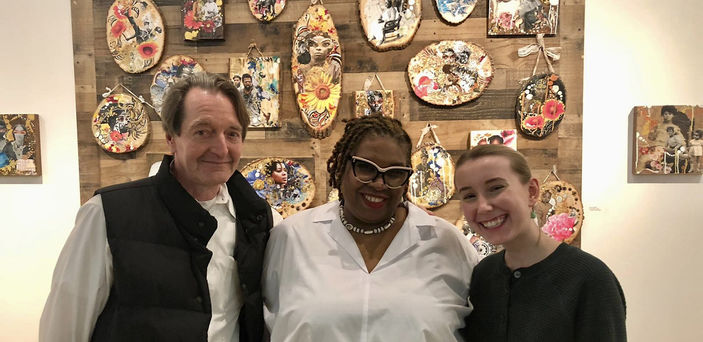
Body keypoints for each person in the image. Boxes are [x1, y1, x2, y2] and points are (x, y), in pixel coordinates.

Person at [39, 72, 282, 342]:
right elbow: (64, 328)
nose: (221, 148)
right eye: (203, 131)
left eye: (232, 134)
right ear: (170, 138)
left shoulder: (261, 220)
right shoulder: (107, 214)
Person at [263, 114, 479, 341]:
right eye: (365, 168)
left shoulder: (446, 242)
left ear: (407, 179)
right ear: (341, 166)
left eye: (394, 173)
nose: (379, 184)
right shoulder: (293, 237)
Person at [454, 144, 626, 341]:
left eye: (496, 188)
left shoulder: (589, 277)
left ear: (532, 192)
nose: (483, 207)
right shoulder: (483, 274)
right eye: (469, 196)